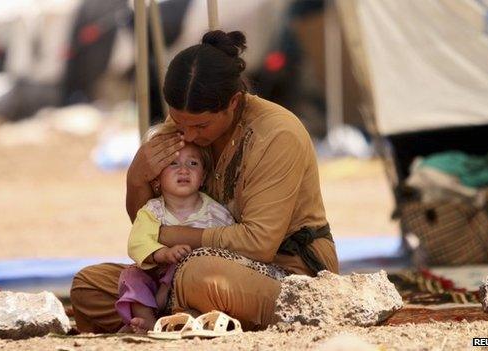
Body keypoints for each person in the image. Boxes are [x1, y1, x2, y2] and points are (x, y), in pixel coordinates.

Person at [71, 30, 338, 333]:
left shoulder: (277, 134)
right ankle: (180, 317)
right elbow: (149, 223)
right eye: (179, 122)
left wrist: (172, 236)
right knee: (88, 285)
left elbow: (258, 244)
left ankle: (172, 317)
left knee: (198, 276)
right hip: (182, 271)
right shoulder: (183, 126)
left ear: (233, 103)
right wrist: (137, 178)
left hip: (288, 276)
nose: (188, 135)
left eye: (200, 125)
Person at [115, 123, 234, 333]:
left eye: (193, 163)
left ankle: (185, 320)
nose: (183, 170)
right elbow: (137, 242)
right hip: (156, 281)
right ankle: (147, 321)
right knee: (131, 276)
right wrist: (163, 253)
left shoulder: (216, 213)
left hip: (191, 286)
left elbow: (228, 248)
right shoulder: (152, 211)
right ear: (157, 178)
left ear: (204, 176)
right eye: (173, 163)